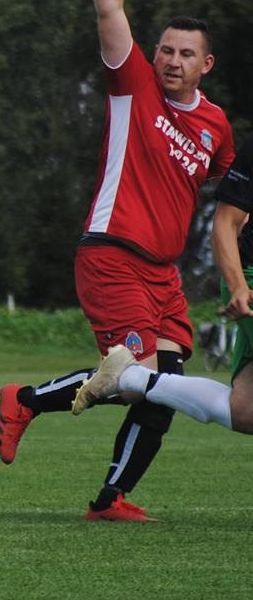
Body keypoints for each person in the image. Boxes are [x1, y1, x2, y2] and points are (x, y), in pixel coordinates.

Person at [0, 0, 233, 522]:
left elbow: (228, 194)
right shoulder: (133, 86)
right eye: (166, 50)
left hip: (164, 274)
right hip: (113, 254)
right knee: (138, 373)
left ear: (206, 65)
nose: (172, 60)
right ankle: (25, 398)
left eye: (186, 53)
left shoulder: (216, 126)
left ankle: (110, 499)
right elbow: (109, 10)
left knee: (165, 389)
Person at [71, 135, 253, 431]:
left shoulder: (216, 122)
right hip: (248, 275)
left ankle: (132, 377)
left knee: (245, 411)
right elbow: (225, 222)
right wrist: (238, 287)